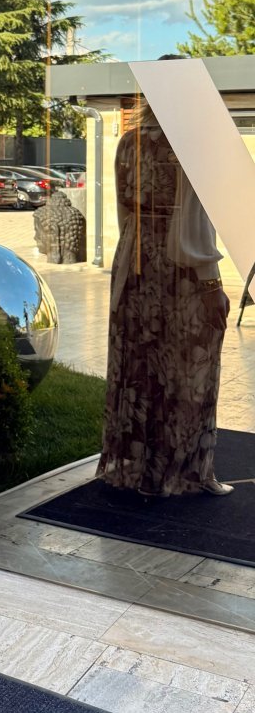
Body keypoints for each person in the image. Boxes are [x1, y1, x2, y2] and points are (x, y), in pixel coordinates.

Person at [98, 98, 232, 497]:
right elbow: (195, 224)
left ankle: (140, 471)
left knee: (141, 366)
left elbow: (124, 211)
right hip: (179, 273)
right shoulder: (190, 144)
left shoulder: (130, 141)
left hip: (135, 260)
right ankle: (185, 473)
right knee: (190, 370)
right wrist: (211, 285)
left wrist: (136, 250)